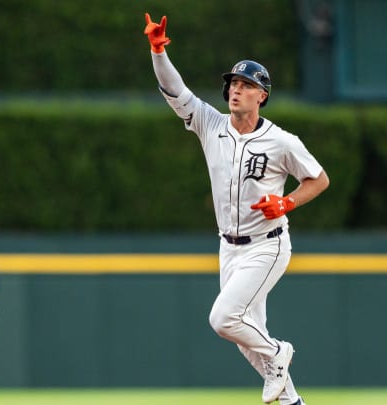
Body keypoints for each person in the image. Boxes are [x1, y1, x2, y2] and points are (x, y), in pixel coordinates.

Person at [143, 14, 329, 405]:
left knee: (224, 319)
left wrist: (288, 202)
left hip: (267, 245)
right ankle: (294, 402)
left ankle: (281, 352)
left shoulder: (281, 141)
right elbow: (176, 92)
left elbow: (319, 178)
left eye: (246, 85)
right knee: (248, 342)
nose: (236, 90)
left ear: (262, 95)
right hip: (229, 247)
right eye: (233, 83)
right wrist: (158, 51)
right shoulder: (212, 125)